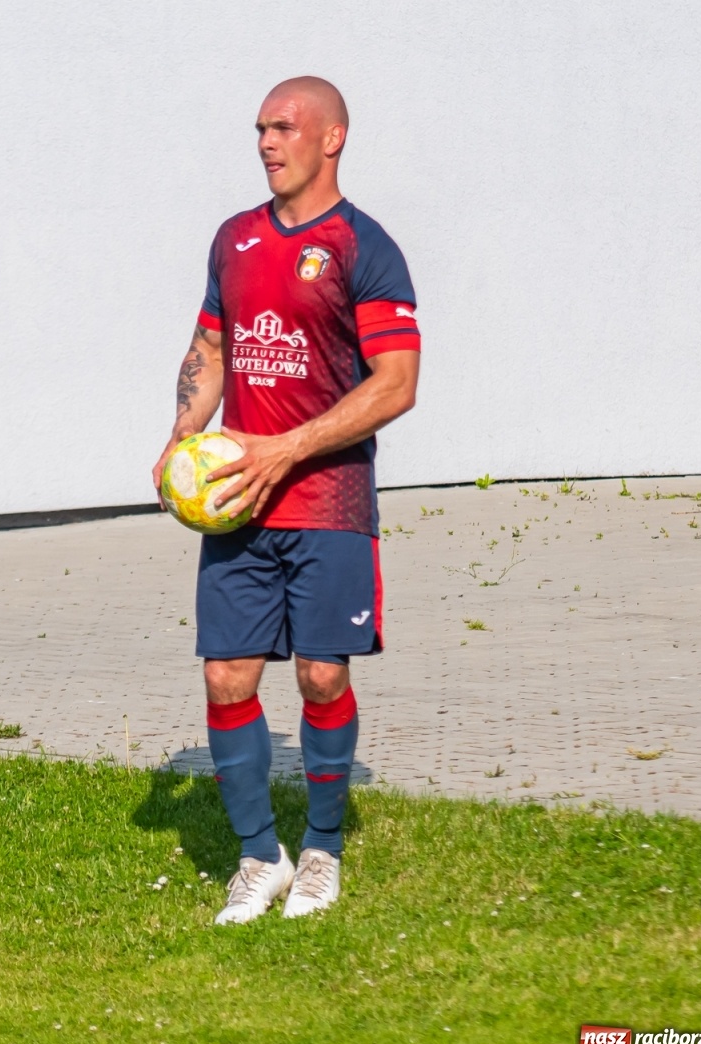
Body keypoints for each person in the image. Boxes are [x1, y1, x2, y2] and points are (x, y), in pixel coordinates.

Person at [151, 77, 421, 923]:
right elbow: (210, 349)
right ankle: (259, 856)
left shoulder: (364, 247)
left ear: (332, 137)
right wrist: (181, 440)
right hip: (238, 502)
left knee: (321, 673)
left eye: (284, 127)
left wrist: (288, 449)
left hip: (328, 502)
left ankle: (322, 851)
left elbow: (397, 383)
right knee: (226, 676)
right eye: (261, 128)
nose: (268, 142)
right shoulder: (234, 239)